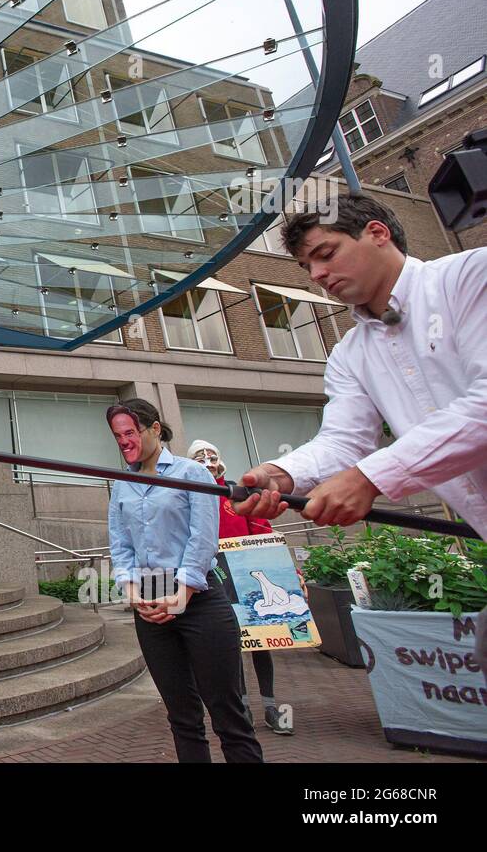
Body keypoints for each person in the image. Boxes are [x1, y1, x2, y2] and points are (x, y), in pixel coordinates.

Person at [231, 195, 485, 652]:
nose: (318, 276)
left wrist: (371, 477)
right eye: (307, 267)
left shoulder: (470, 276)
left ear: (378, 233)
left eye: (326, 255)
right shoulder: (349, 355)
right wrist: (282, 474)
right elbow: (343, 442)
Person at [107, 400, 263, 762]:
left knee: (230, 715)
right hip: (149, 601)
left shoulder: (192, 473)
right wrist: (134, 595)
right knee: (182, 718)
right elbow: (121, 546)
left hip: (199, 598)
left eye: (131, 432)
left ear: (155, 429)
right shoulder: (122, 483)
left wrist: (181, 595)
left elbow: (203, 539)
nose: (124, 442)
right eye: (117, 436)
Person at [188, 439, 296, 736]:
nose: (207, 463)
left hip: (249, 574)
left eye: (211, 458)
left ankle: (271, 705)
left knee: (262, 641)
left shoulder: (238, 493)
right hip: (216, 578)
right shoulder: (191, 499)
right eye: (200, 459)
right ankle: (243, 704)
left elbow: (263, 532)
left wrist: (289, 573)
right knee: (232, 644)